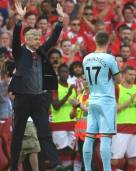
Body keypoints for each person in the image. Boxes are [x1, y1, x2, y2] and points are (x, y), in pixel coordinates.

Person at [8, 1, 68, 171]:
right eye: (34, 38)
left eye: (38, 38)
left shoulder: (41, 51)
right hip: (22, 98)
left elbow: (53, 38)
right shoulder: (19, 53)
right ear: (26, 40)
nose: (38, 40)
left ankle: (56, 164)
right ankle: (13, 167)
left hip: (39, 99)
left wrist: (60, 21)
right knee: (18, 136)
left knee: (45, 134)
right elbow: (14, 39)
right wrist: (19, 20)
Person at [82, 31, 121, 171]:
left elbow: (87, 79)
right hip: (106, 100)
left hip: (93, 99)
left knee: (89, 136)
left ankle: (87, 169)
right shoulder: (110, 58)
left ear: (95, 41)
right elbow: (118, 80)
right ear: (108, 42)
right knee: (105, 137)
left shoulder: (86, 58)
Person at [111, 66, 136, 170]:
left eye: (134, 75)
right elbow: (114, 109)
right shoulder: (117, 88)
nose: (133, 77)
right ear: (123, 75)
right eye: (130, 74)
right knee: (114, 159)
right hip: (121, 127)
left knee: (133, 159)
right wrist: (129, 101)